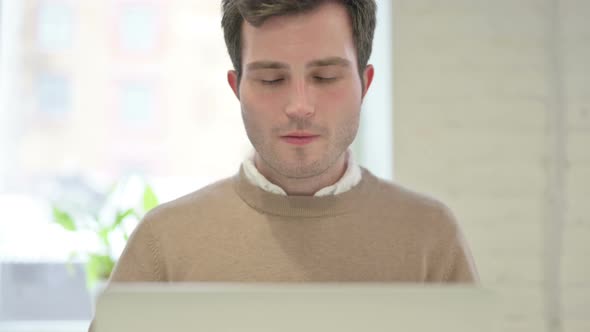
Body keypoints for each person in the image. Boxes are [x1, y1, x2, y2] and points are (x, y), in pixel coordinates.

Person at [108, 0, 478, 285]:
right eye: (271, 79)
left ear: (364, 85)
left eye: (325, 76)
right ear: (237, 89)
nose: (299, 106)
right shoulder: (164, 244)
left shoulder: (431, 237)